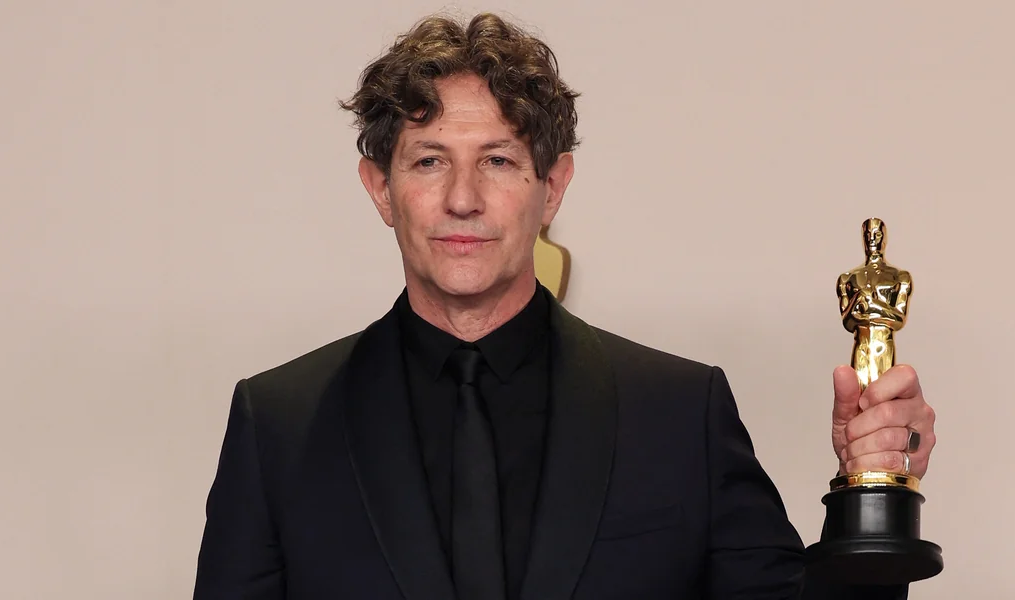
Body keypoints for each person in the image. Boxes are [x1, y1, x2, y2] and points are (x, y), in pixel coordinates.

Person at [192, 12, 937, 600]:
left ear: (552, 189)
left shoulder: (682, 414)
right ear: (380, 189)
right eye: (429, 160)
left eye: (498, 160)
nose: (462, 198)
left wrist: (869, 494)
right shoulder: (277, 425)